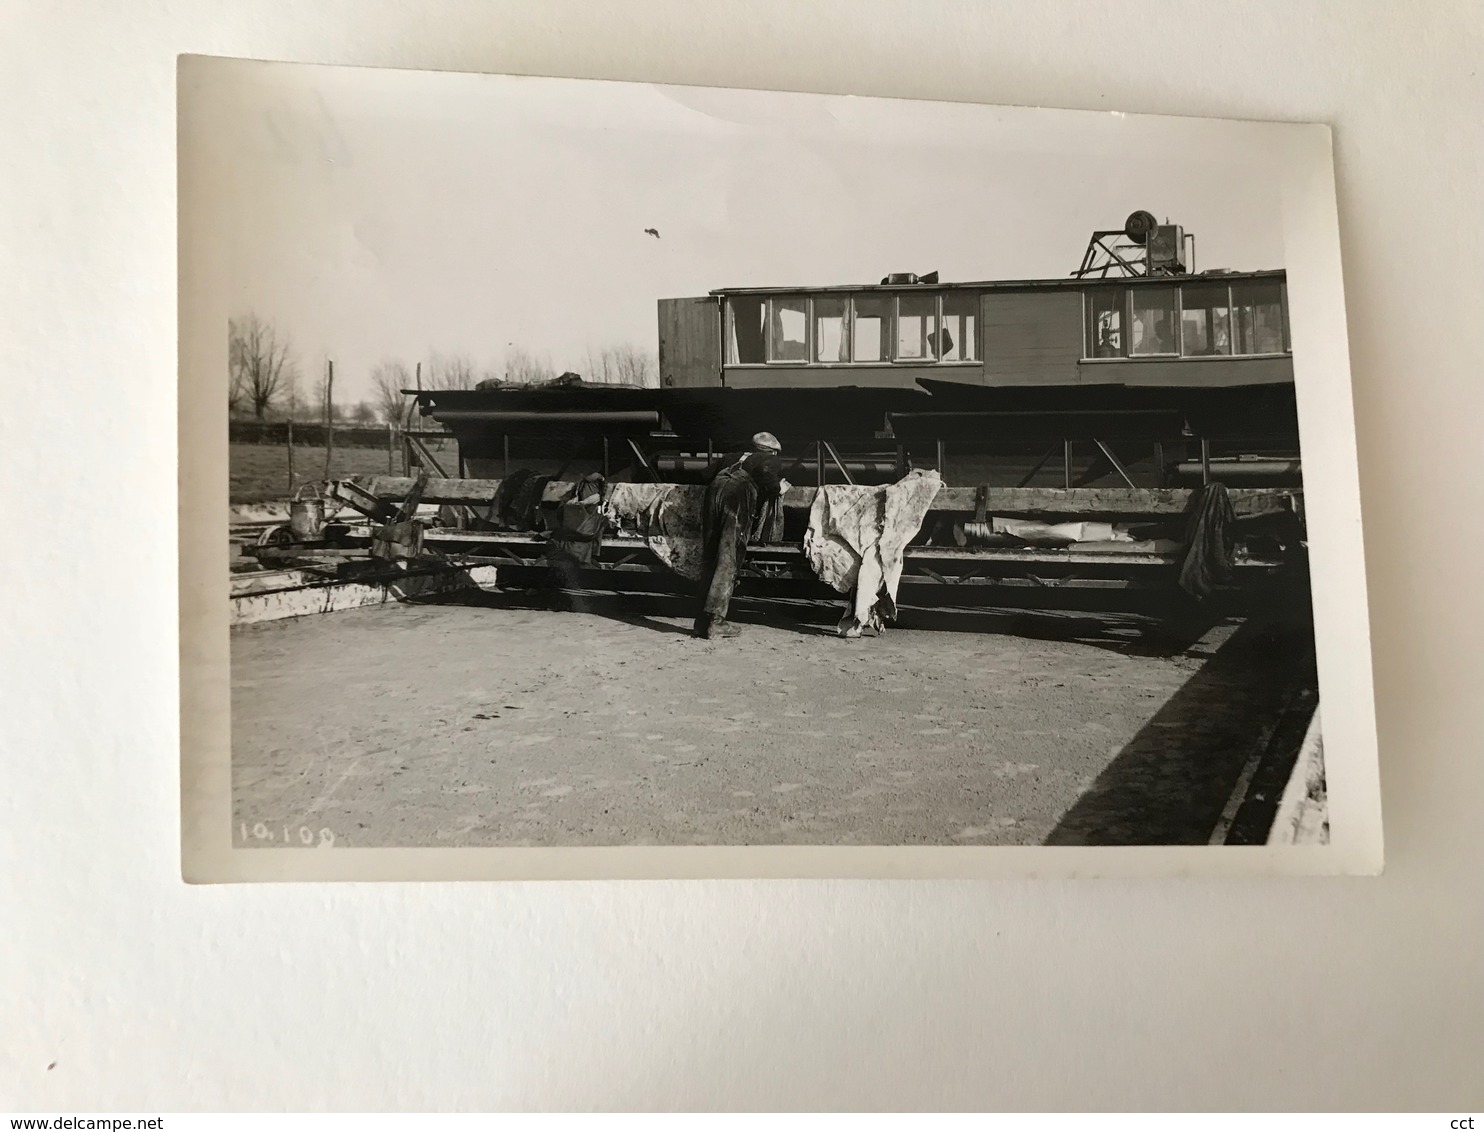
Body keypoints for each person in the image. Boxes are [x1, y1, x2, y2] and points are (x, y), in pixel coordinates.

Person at [694, 431, 787, 639]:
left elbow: (702, 476)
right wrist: (779, 488)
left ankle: (700, 622)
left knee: (710, 555)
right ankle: (716, 622)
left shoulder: (730, 457)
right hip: (737, 498)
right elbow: (770, 484)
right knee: (728, 556)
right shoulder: (769, 460)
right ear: (772, 451)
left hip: (713, 494)